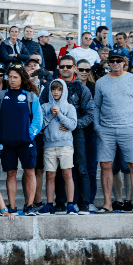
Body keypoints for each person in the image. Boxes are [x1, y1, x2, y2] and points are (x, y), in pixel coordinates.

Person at [93, 54, 133, 213]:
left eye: (118, 61)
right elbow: (96, 106)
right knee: (106, 165)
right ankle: (107, 203)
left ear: (124, 63)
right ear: (108, 63)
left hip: (128, 128)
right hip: (106, 130)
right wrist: (97, 127)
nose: (115, 64)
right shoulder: (101, 82)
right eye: (112, 61)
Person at [0, 66, 42, 216]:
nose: (11, 80)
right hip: (7, 142)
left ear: (22, 79)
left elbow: (38, 119)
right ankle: (11, 206)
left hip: (26, 142)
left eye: (15, 77)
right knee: (10, 173)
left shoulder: (31, 96)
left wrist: (30, 134)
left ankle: (30, 205)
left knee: (30, 171)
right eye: (10, 77)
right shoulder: (0, 96)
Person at [51, 57, 97, 214]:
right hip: (56, 134)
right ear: (58, 67)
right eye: (62, 66)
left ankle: (84, 204)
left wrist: (74, 125)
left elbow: (90, 114)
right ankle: (60, 203)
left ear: (75, 68)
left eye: (68, 66)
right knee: (58, 170)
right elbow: (42, 108)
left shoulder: (82, 89)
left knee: (81, 168)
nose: (65, 69)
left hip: (76, 133)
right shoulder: (51, 87)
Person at [39, 79, 78, 214]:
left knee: (67, 174)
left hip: (65, 146)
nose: (56, 92)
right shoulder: (44, 107)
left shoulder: (69, 107)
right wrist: (50, 114)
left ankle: (71, 204)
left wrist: (60, 115)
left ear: (64, 91)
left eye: (59, 89)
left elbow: (73, 125)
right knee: (50, 175)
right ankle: (50, 204)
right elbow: (40, 126)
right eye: (53, 89)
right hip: (49, 145)